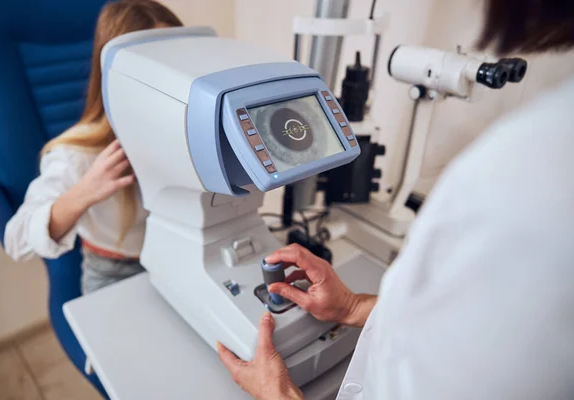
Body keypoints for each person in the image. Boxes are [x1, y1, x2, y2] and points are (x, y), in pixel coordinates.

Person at [217, 0, 574, 398]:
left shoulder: (535, 181)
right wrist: (352, 308)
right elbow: (471, 328)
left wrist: (276, 393)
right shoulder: (542, 148)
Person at [4, 0, 183, 294]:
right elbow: (16, 240)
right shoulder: (76, 153)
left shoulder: (181, 130)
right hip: (116, 273)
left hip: (179, 260)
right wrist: (83, 191)